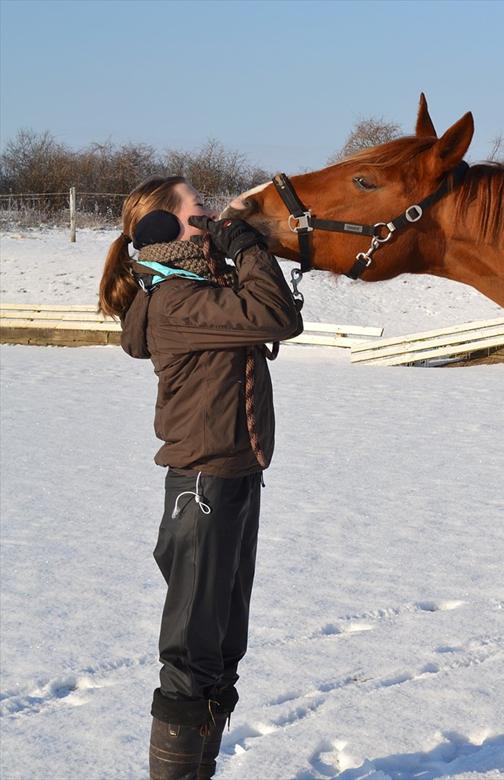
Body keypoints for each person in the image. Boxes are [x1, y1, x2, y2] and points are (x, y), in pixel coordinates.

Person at [98, 176, 303, 779]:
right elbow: (274, 315)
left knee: (220, 645)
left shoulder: (198, 289)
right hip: (201, 485)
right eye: (200, 212)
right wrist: (243, 244)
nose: (212, 217)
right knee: (190, 652)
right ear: (165, 230)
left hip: (234, 477)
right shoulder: (176, 301)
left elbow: (262, 306)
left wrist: (244, 238)